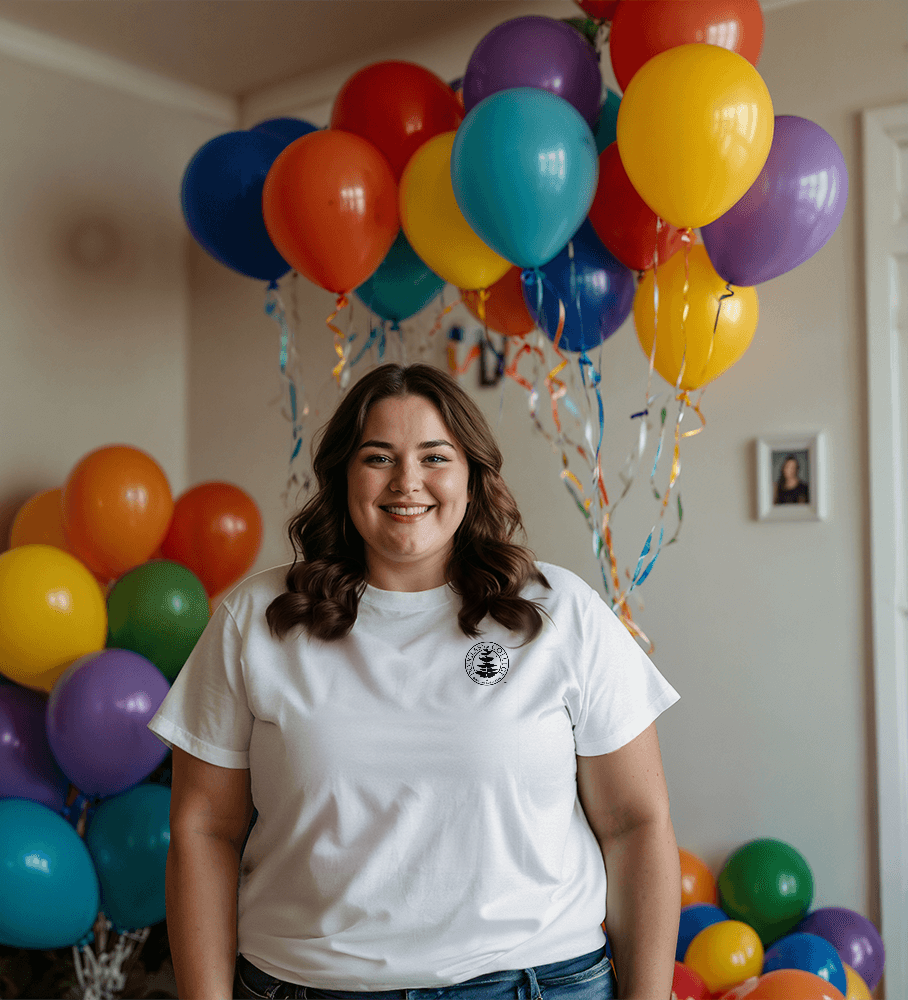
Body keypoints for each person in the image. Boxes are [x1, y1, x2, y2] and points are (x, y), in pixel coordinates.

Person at [149, 362, 681, 1000]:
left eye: (435, 456)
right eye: (379, 457)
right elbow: (205, 828)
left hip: (536, 982)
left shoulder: (561, 611)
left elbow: (635, 824)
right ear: (345, 473)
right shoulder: (256, 620)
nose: (408, 482)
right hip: (308, 986)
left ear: (471, 474)